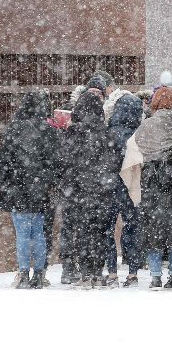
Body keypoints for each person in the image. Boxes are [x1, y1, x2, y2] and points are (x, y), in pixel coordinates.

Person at [0, 90, 60, 289]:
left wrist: (5, 185)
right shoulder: (49, 131)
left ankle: (23, 273)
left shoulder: (13, 129)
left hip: (17, 188)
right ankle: (39, 274)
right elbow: (55, 162)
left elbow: (4, 162)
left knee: (22, 234)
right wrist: (50, 183)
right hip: (40, 189)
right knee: (39, 233)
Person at [57, 91, 117, 288]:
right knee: (99, 233)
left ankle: (84, 273)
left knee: (82, 232)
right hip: (100, 192)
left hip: (78, 192)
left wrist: (69, 186)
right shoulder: (106, 134)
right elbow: (112, 163)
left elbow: (64, 162)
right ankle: (98, 273)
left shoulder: (73, 133)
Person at [134, 87, 172, 289]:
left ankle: (155, 275)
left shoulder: (146, 125)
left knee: (152, 230)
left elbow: (138, 147)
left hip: (151, 180)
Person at [104, 93, 144, 286]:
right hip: (132, 186)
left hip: (110, 186)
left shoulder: (108, 132)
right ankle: (132, 273)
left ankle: (112, 273)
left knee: (108, 230)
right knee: (132, 228)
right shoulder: (139, 135)